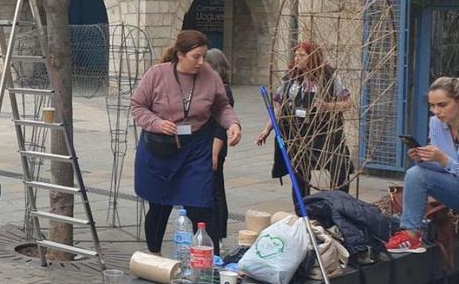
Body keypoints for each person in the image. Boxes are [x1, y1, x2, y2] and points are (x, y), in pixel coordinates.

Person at [132, 30, 241, 257]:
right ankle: (154, 255)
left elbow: (222, 106)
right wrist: (157, 123)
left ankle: (210, 260)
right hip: (160, 146)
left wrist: (232, 124)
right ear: (180, 55)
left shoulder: (210, 76)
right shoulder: (156, 74)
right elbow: (137, 106)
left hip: (195, 147)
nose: (201, 62)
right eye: (196, 57)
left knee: (201, 204)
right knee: (159, 205)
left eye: (203, 56)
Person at [256, 41, 353, 205]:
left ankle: (338, 207)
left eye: (302, 55)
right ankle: (304, 212)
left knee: (339, 168)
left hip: (325, 135)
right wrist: (267, 129)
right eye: (296, 55)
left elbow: (348, 103)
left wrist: (328, 106)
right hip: (299, 135)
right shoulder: (290, 79)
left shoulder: (329, 77)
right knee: (299, 174)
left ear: (313, 57)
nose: (297, 58)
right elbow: (279, 108)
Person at [385, 77, 459, 254]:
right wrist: (425, 159)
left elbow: (449, 165)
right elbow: (444, 169)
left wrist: (444, 160)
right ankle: (411, 234)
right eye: (432, 105)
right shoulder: (436, 124)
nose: (436, 111)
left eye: (442, 105)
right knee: (416, 172)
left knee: (419, 174)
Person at [205, 48, 235, 254]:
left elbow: (220, 126)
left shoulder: (223, 90)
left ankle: (218, 235)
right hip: (206, 145)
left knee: (216, 191)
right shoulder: (210, 87)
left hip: (215, 146)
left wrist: (214, 153)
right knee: (211, 190)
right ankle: (211, 232)